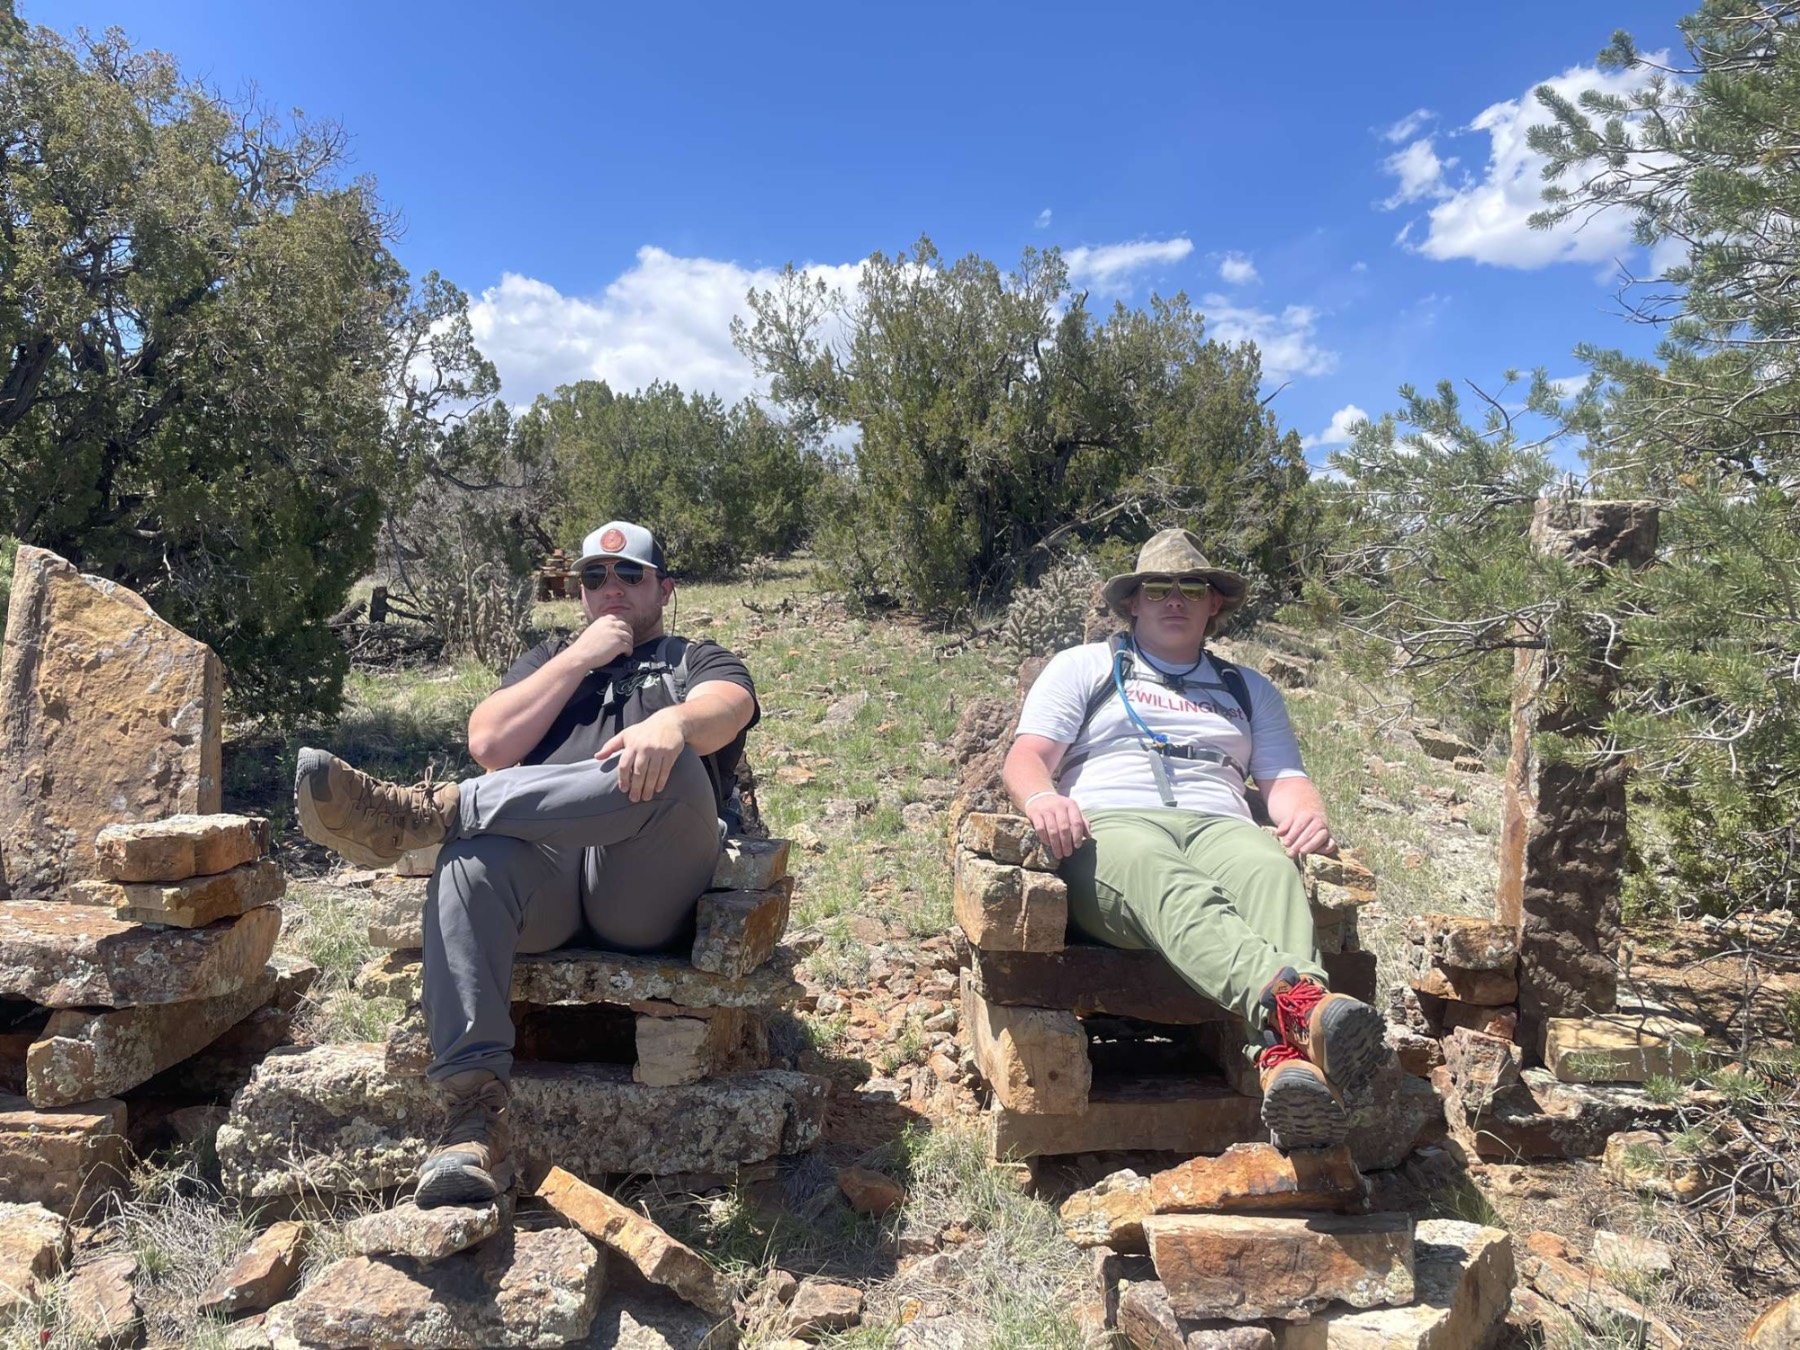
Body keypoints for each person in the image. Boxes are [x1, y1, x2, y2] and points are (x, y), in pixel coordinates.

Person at [293, 520, 758, 1206]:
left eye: (630, 575)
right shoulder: (550, 662)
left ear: (665, 589)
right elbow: (489, 741)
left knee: (672, 764)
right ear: (578, 592)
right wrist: (578, 659)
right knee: (469, 861)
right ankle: (471, 1123)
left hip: (643, 888)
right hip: (549, 885)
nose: (611, 588)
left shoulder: (693, 658)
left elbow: (730, 707)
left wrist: (673, 724)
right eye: (594, 577)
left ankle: (436, 811)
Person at [1001, 528, 1388, 1149]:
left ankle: (1287, 1069)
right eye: (1158, 588)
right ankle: (1301, 1012)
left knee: (1269, 867)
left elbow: (1285, 779)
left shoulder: (1247, 689)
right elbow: (1027, 758)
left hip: (1220, 825)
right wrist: (1044, 799)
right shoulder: (1084, 667)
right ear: (1133, 602)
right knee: (1161, 873)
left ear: (1215, 603)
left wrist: (1308, 814)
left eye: (1191, 587)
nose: (1174, 599)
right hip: (1113, 825)